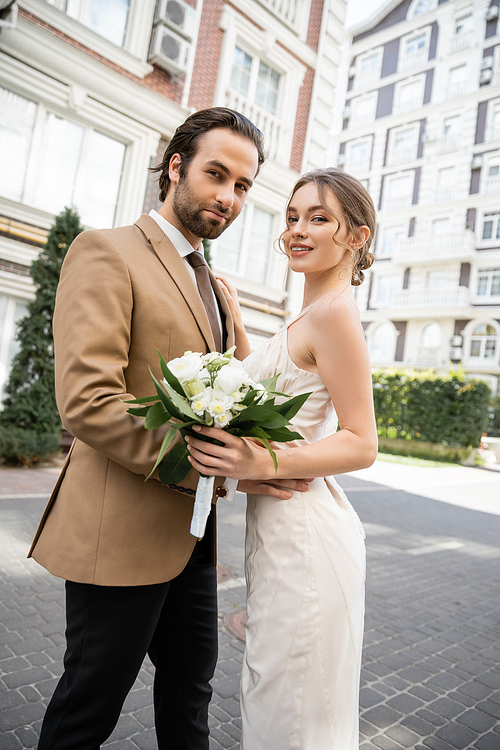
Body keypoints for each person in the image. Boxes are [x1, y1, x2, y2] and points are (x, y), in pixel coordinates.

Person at [28, 107, 310, 750]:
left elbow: (237, 389)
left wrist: (257, 453)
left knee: (190, 697)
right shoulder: (106, 250)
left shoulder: (213, 281)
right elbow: (88, 401)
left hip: (193, 536)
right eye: (216, 174)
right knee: (88, 709)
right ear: (176, 167)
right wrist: (207, 460)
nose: (228, 197)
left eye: (242, 186)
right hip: (119, 529)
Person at [185, 167, 379, 749]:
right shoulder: (306, 317)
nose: (297, 229)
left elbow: (361, 442)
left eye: (319, 218)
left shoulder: (336, 314)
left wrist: (255, 465)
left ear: (357, 237)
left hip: (306, 532)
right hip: (277, 533)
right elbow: (270, 401)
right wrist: (241, 330)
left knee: (289, 712)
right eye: (292, 217)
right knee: (276, 696)